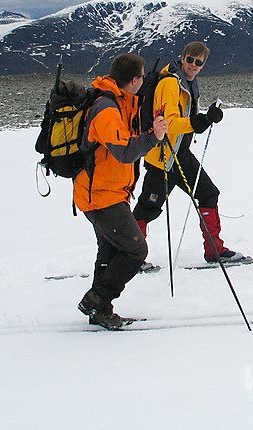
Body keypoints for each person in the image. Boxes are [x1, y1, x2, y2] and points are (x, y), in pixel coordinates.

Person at [74, 53, 168, 329]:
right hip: (100, 195)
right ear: (135, 79)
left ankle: (100, 309)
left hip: (109, 192)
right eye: (142, 77)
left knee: (110, 251)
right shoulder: (107, 107)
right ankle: (96, 299)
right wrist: (154, 138)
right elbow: (124, 152)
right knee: (135, 250)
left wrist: (150, 129)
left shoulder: (121, 101)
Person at [134, 41, 247, 263]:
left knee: (208, 193)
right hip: (163, 157)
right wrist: (200, 121)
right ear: (183, 57)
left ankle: (214, 250)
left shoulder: (187, 83)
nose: (193, 65)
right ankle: (129, 257)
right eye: (190, 60)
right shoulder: (170, 83)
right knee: (146, 209)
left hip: (180, 155)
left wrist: (203, 119)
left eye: (198, 62)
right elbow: (168, 123)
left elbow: (185, 121)